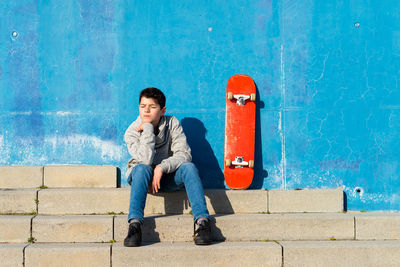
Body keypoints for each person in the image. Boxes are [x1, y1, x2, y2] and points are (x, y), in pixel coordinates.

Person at [123, 87, 212, 247]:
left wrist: (162, 167)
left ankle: (203, 222)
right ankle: (135, 225)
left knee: (189, 167)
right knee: (143, 168)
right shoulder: (131, 131)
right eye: (143, 106)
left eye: (152, 106)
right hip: (142, 178)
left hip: (166, 177)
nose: (147, 110)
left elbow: (184, 154)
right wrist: (148, 128)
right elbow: (145, 159)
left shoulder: (172, 123)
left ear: (163, 110)